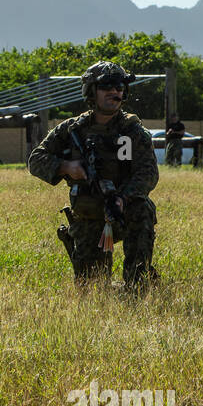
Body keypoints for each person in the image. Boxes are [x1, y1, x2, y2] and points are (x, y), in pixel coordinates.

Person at [27, 61, 159, 290]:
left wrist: (122, 198)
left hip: (122, 211)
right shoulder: (71, 130)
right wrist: (66, 167)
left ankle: (137, 282)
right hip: (88, 215)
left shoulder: (133, 131)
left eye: (119, 86)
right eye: (107, 86)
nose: (115, 91)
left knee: (143, 207)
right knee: (92, 289)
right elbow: (36, 160)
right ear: (91, 92)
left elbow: (148, 173)